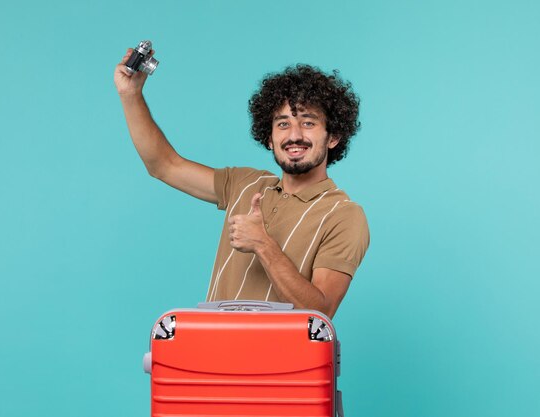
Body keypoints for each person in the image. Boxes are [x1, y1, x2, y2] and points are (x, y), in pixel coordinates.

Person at [114, 47, 369, 318]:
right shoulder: (246, 183)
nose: (294, 135)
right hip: (211, 356)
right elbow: (163, 165)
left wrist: (263, 244)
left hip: (283, 361)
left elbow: (319, 313)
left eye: (308, 123)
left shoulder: (344, 215)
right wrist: (130, 95)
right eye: (282, 124)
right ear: (269, 139)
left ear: (333, 137)